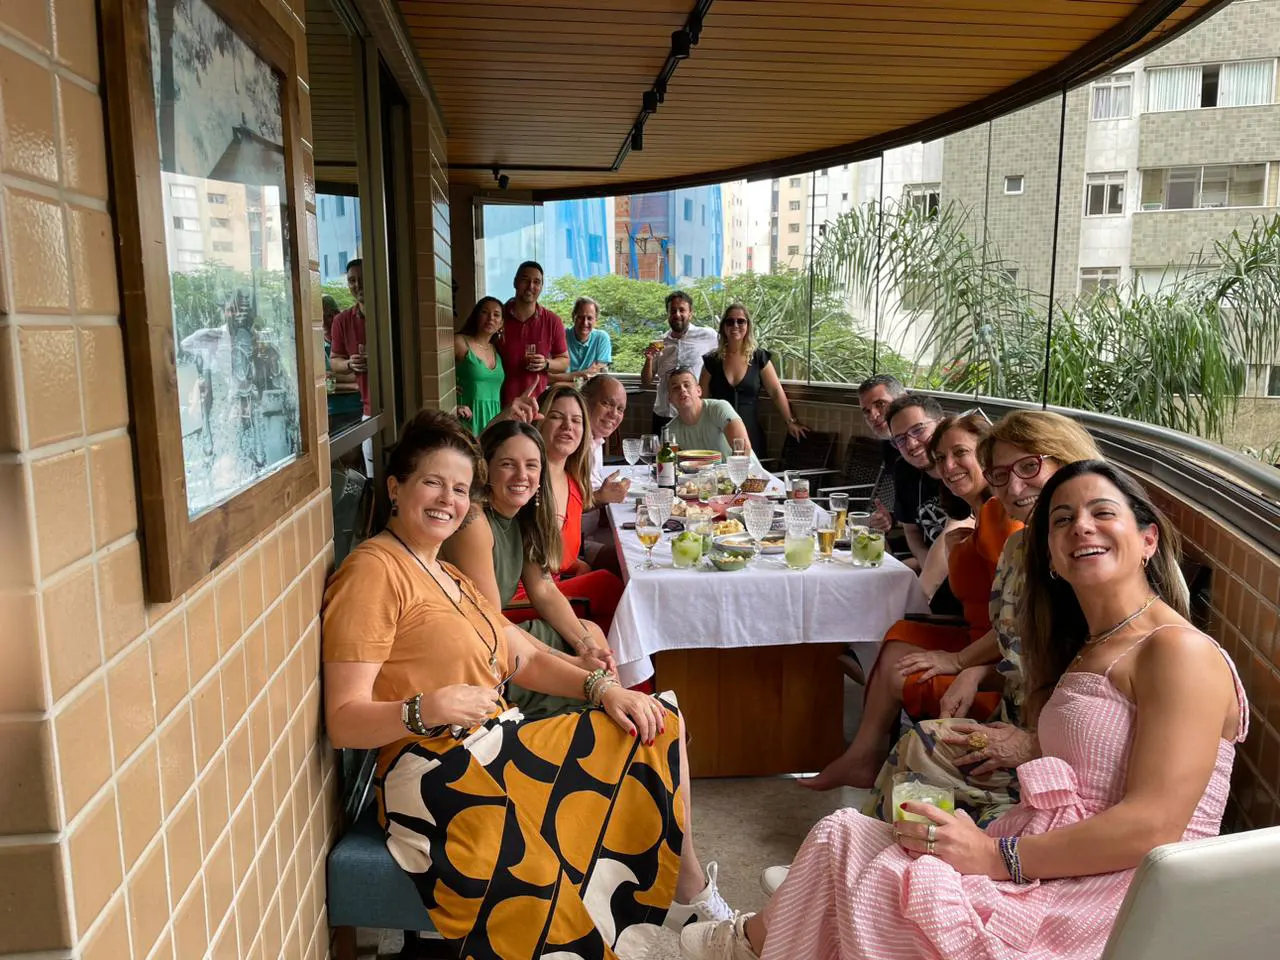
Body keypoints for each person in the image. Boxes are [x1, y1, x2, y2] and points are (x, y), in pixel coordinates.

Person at [682, 459, 1245, 960]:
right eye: (1062, 520)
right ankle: (756, 939)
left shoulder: (1178, 651)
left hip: (1111, 898)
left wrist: (995, 855)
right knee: (847, 839)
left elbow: (1154, 826)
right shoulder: (1090, 645)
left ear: (1148, 539)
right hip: (1059, 863)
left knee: (848, 854)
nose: (1081, 527)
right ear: (1050, 554)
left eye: (1102, 513)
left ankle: (749, 942)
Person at [322, 412, 734, 959]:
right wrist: (425, 708)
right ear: (396, 488)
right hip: (433, 769)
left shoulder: (446, 575)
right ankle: (667, 912)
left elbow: (523, 656)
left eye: (460, 489)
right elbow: (343, 721)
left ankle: (683, 896)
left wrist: (602, 688)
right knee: (636, 747)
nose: (448, 500)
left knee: (653, 721)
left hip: (494, 741)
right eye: (432, 482)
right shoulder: (373, 572)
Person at [862, 411, 1102, 825]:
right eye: (1000, 475)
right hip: (1015, 719)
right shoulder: (1020, 549)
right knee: (917, 747)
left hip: (1060, 755)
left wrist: (1033, 743)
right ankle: (879, 843)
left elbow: (1102, 690)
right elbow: (1019, 647)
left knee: (921, 756)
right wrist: (975, 670)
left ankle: (907, 846)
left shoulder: (1092, 562)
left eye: (1030, 466)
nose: (1014, 487)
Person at [803, 412, 1020, 791]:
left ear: (988, 455)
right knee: (898, 638)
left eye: (960, 453)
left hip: (1001, 656)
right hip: (979, 637)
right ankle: (863, 756)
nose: (948, 467)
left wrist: (961, 662)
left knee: (900, 660)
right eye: (941, 458)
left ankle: (865, 758)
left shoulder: (1001, 517)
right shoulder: (979, 515)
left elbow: (1015, 622)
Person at [441, 420, 613, 720]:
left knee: (592, 636)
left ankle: (620, 712)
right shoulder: (475, 522)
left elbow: (544, 589)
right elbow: (492, 623)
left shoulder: (522, 516)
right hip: (476, 656)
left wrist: (585, 647)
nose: (522, 475)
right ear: (485, 470)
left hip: (500, 635)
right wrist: (572, 663)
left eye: (532, 465)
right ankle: (613, 718)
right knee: (592, 675)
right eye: (508, 464)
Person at [529, 384, 624, 629]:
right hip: (526, 600)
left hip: (554, 587)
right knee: (610, 586)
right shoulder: (526, 481)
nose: (567, 426)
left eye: (576, 420)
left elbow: (553, 552)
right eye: (556, 417)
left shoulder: (571, 481)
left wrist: (577, 564)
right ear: (538, 421)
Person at [698, 303, 806, 460]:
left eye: (741, 321)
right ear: (723, 327)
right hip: (719, 433)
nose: (735, 325)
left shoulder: (758, 357)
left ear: (748, 326)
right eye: (730, 321)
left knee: (753, 475)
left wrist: (790, 421)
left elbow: (776, 391)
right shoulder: (711, 361)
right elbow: (702, 401)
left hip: (751, 433)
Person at [882, 394, 952, 567]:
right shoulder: (904, 469)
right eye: (900, 439)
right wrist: (925, 562)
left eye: (918, 430)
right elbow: (911, 532)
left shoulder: (960, 471)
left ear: (942, 425)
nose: (911, 444)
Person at [641, 290, 720, 436]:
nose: (677, 314)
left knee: (692, 451)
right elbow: (646, 381)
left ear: (690, 313)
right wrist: (649, 359)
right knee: (661, 451)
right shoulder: (660, 343)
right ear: (668, 314)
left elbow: (727, 352)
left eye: (682, 310)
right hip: (664, 414)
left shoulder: (708, 336)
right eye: (673, 311)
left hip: (694, 413)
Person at [497, 261, 569, 406]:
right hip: (499, 404)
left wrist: (546, 363)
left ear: (541, 287)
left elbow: (564, 361)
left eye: (536, 282)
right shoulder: (498, 316)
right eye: (525, 280)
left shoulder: (552, 321)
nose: (531, 286)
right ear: (515, 282)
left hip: (536, 405)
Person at [665, 367, 760, 469]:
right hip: (704, 478)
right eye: (675, 388)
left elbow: (743, 448)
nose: (682, 390)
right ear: (669, 399)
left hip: (748, 473)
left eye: (687, 385)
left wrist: (731, 476)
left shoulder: (719, 408)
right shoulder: (670, 430)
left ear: (698, 390)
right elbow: (673, 466)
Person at [452, 296, 505, 434]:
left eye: (496, 315)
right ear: (476, 316)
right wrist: (452, 403)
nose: (490, 318)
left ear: (501, 323)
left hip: (493, 422)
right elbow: (435, 371)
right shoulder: (460, 342)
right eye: (485, 312)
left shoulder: (497, 350)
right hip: (467, 419)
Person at [329, 259, 368, 415]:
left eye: (363, 278)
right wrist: (350, 363)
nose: (358, 284)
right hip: (369, 409)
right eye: (352, 280)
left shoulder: (392, 312)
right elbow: (334, 361)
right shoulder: (342, 320)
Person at [553, 296, 612, 384]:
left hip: (590, 389)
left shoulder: (602, 338)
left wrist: (567, 377)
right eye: (580, 317)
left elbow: (598, 374)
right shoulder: (560, 336)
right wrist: (582, 374)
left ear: (596, 320)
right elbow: (550, 377)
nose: (585, 322)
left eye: (589, 318)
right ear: (573, 317)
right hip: (562, 389)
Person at [322, 294, 361, 423]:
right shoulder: (317, 345)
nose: (323, 322)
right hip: (331, 411)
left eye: (327, 316)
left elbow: (361, 374)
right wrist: (353, 386)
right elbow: (322, 382)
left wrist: (333, 377)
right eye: (320, 317)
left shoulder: (351, 339)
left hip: (357, 407)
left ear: (336, 314)